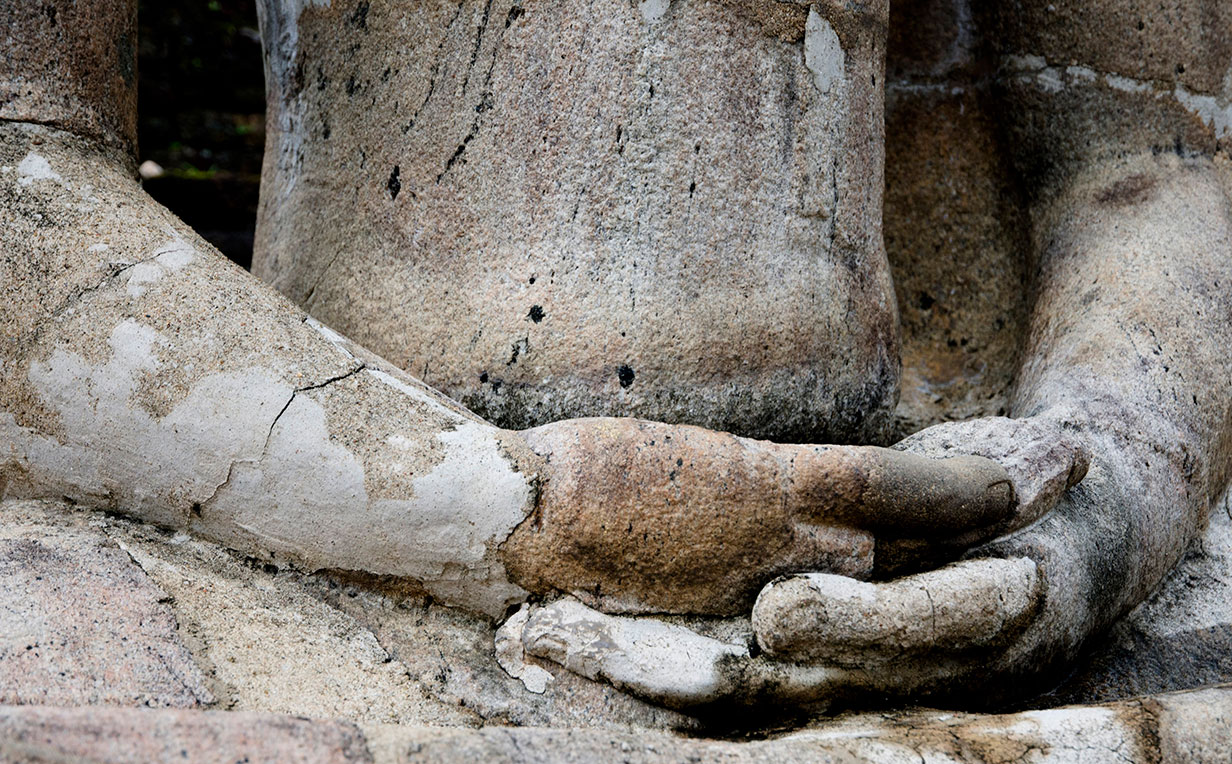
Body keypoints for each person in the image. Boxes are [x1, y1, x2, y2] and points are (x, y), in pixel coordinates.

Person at [2, 0, 1229, 714]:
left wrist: (1102, 502)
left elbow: (1152, 162)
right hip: (333, 523)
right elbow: (21, 173)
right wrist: (522, 509)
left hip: (896, 533)